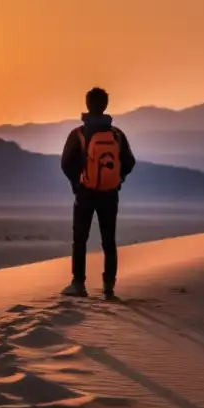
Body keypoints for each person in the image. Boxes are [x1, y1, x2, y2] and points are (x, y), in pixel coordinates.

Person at [59, 87, 136, 298]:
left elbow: (65, 163)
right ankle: (109, 287)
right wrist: (118, 178)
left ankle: (78, 284)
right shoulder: (117, 135)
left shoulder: (79, 134)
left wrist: (77, 182)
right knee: (108, 240)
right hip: (110, 194)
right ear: (105, 105)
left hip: (85, 193)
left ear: (87, 105)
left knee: (80, 239)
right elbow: (129, 162)